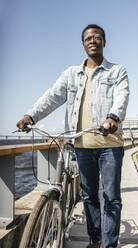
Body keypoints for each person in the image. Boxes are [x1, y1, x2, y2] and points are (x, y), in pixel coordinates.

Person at [17, 24, 129, 248]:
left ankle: (109, 245)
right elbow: (51, 97)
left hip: (110, 145)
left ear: (104, 42)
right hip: (81, 145)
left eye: (97, 37)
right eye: (88, 38)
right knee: (89, 197)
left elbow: (121, 96)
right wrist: (31, 115)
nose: (93, 40)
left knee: (111, 198)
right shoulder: (71, 74)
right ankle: (96, 240)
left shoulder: (117, 71)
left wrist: (113, 118)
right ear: (83, 43)